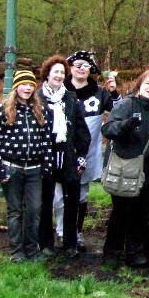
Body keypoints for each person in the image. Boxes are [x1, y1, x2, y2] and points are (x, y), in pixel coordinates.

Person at [102, 69, 149, 267]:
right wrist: (124, 125)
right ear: (140, 85)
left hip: (148, 170)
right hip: (124, 167)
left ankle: (135, 252)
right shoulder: (126, 104)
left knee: (142, 212)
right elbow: (107, 129)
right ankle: (112, 252)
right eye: (148, 83)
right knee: (120, 213)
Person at [0, 70, 54, 262]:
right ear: (16, 86)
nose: (27, 88)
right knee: (15, 211)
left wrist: (47, 166)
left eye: (30, 84)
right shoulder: (3, 110)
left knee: (34, 210)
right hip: (11, 167)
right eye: (23, 84)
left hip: (34, 169)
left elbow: (47, 141)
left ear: (34, 87)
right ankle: (16, 252)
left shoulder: (41, 110)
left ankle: (32, 250)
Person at [61, 50, 121, 253]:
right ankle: (62, 231)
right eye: (77, 65)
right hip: (62, 150)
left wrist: (113, 91)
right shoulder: (60, 90)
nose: (80, 69)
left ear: (91, 70)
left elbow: (119, 110)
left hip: (87, 151)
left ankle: (76, 232)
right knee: (59, 196)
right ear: (70, 68)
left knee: (81, 195)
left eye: (85, 66)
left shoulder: (99, 92)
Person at [37, 55, 91, 259]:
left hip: (67, 155)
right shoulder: (38, 98)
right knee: (46, 200)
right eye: (55, 72)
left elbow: (81, 130)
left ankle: (70, 243)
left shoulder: (71, 99)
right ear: (47, 74)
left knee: (72, 200)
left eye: (62, 72)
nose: (59, 76)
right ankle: (46, 243)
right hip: (46, 155)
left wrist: (81, 157)